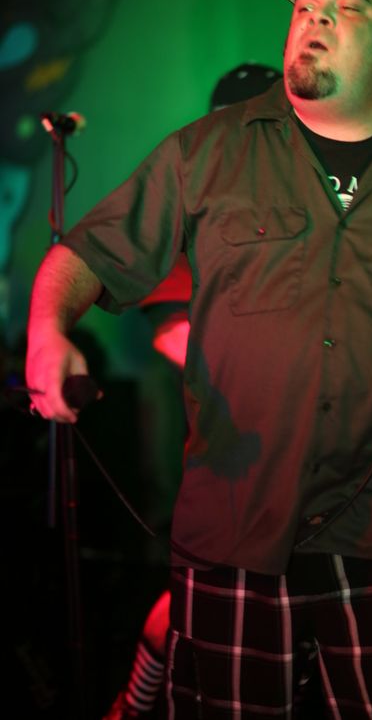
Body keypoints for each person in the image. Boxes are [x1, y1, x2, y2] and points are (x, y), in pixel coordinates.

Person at [26, 0, 372, 719]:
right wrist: (47, 331)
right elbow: (85, 255)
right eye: (305, 6)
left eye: (346, 8)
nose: (315, 19)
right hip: (235, 525)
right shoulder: (206, 151)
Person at [104, 63, 285, 720]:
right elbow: (169, 330)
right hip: (234, 454)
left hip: (311, 458)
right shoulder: (196, 206)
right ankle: (131, 706)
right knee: (195, 607)